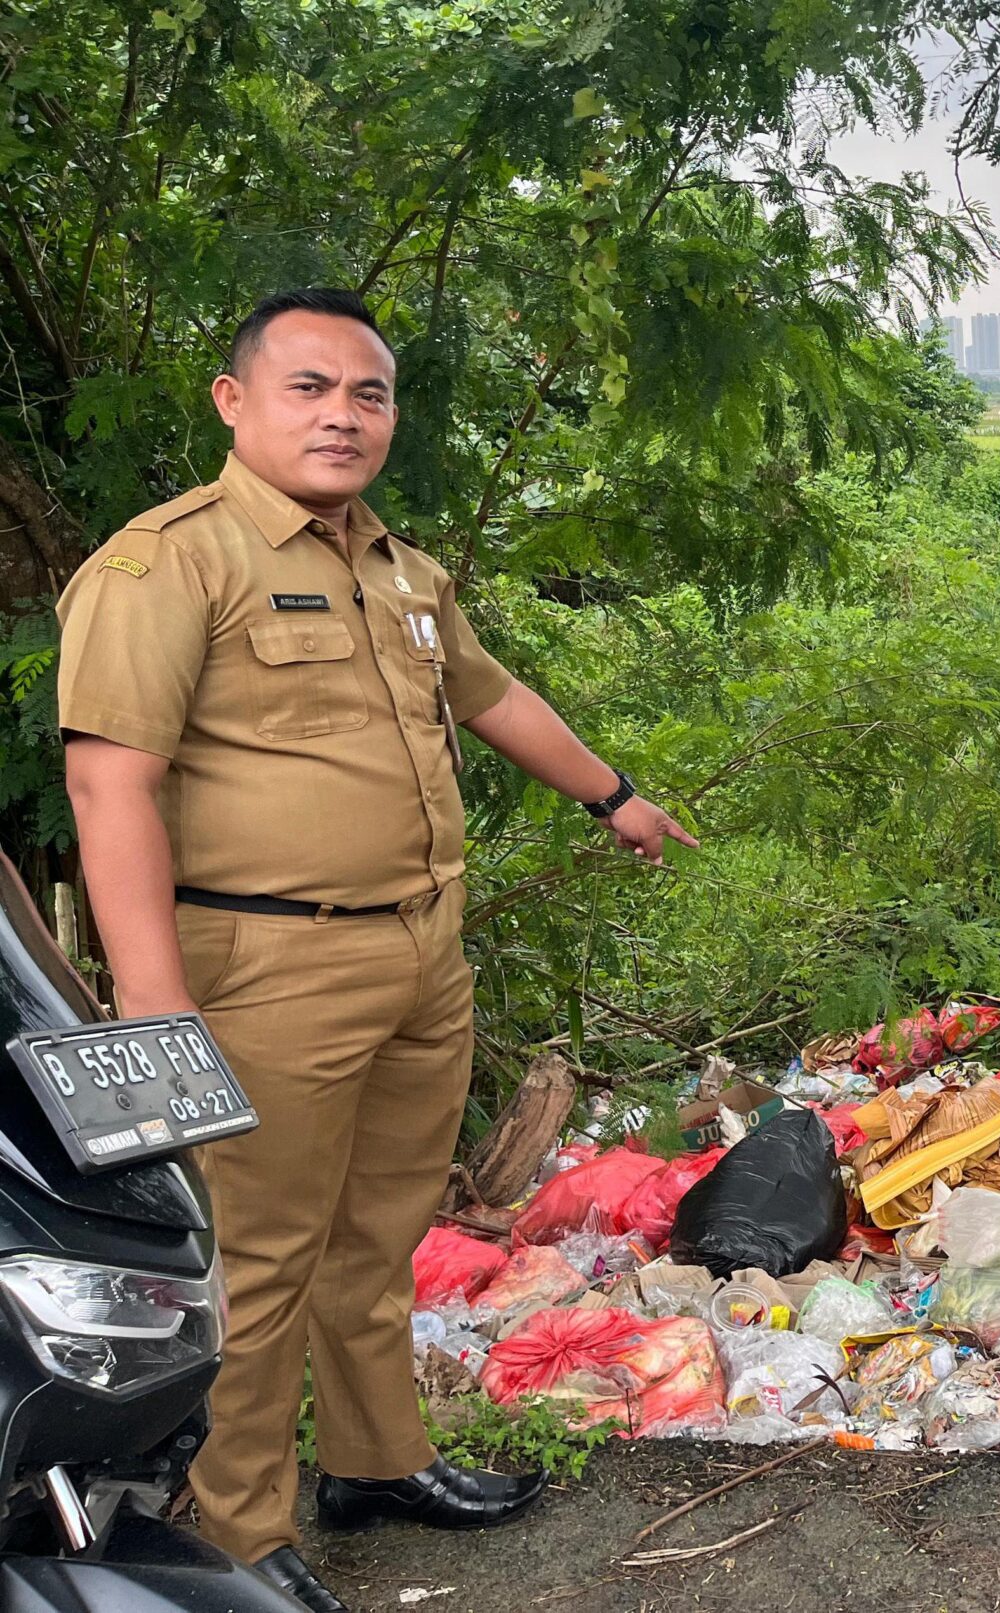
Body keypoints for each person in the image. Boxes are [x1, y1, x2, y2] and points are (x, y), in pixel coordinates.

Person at [54, 288, 699, 1613]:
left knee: (378, 1231)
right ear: (235, 402)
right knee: (260, 1249)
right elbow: (110, 783)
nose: (343, 416)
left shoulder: (399, 567)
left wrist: (615, 793)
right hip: (263, 965)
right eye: (309, 387)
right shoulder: (169, 563)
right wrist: (154, 1003)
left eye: (368, 393)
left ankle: (374, 1457)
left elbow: (491, 692)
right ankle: (231, 1532)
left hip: (418, 956)